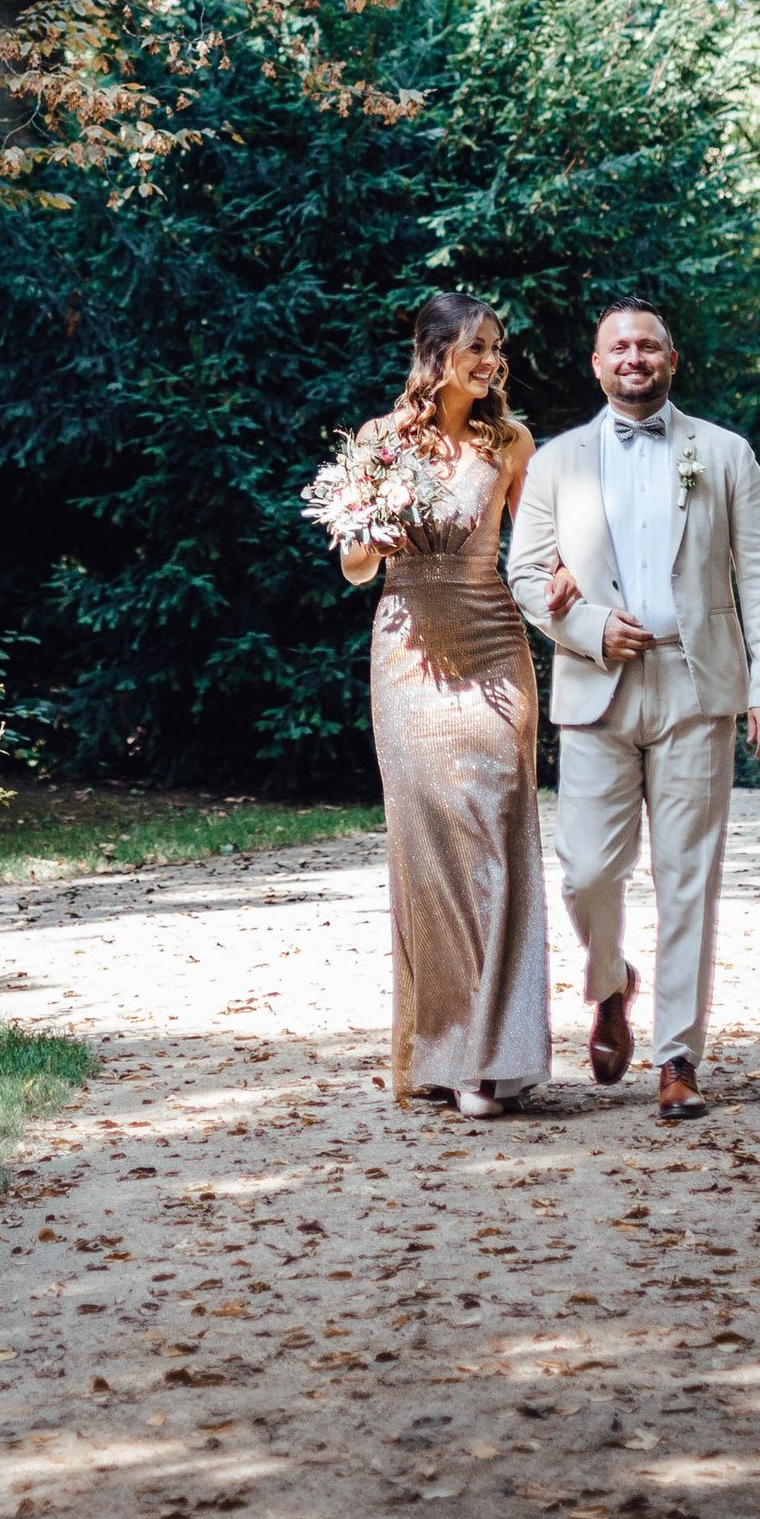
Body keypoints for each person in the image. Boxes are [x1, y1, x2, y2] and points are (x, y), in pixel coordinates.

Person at [505, 297, 760, 1121]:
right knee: (587, 871)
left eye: (648, 346)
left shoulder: (725, 454)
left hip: (697, 685)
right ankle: (611, 983)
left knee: (687, 874)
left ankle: (677, 1058)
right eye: (619, 347)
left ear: (671, 360)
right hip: (595, 687)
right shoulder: (557, 462)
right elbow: (525, 574)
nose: (634, 358)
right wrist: (590, 628)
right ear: (597, 365)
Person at [330, 293, 552, 1121]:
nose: (492, 360)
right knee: (430, 849)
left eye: (497, 346)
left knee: (495, 831)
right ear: (435, 354)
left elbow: (539, 554)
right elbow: (353, 567)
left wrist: (578, 594)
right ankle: (450, 1051)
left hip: (493, 643)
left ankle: (495, 1053)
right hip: (407, 653)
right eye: (477, 346)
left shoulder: (513, 442)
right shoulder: (379, 440)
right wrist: (375, 536)